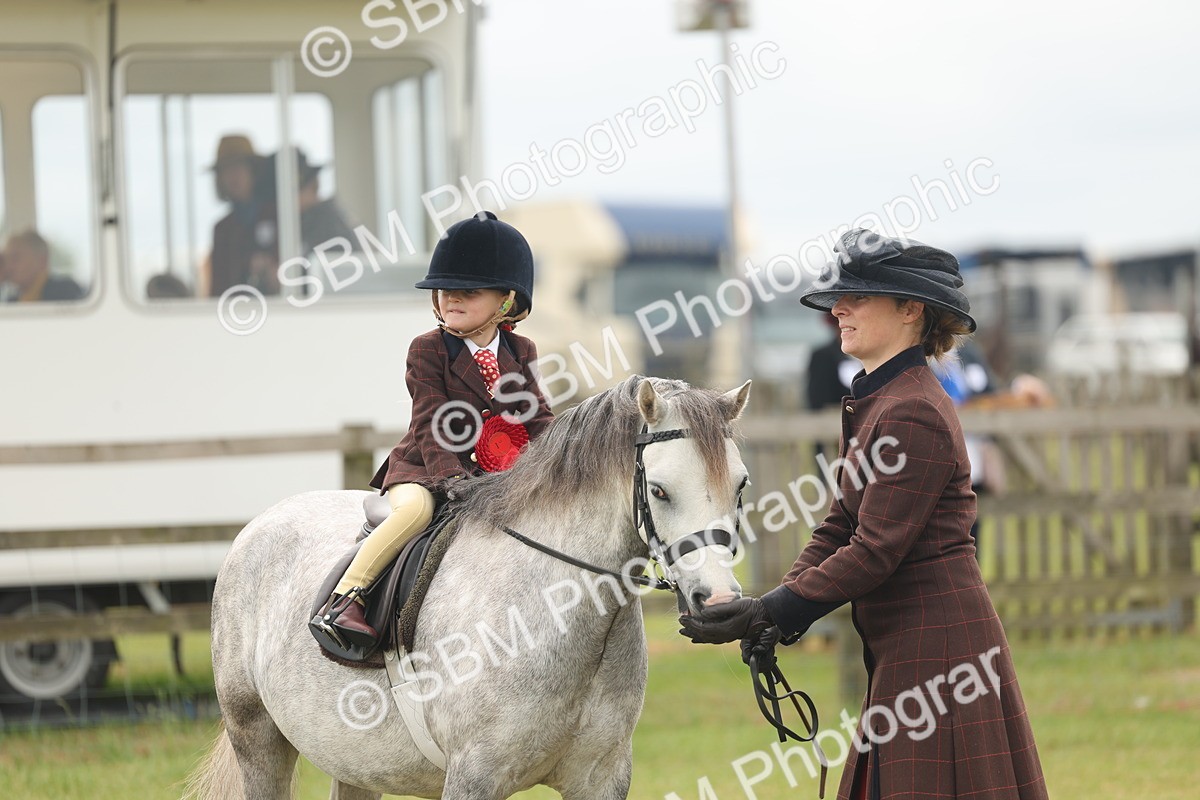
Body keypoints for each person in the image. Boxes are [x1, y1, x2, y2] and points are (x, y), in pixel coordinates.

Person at [681, 229, 1048, 800]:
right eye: (839, 296)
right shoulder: (881, 398)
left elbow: (874, 549)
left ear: (910, 311)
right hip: (908, 644)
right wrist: (776, 609)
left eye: (859, 297)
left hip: (939, 648)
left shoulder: (912, 412)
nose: (839, 308)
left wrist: (771, 611)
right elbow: (841, 524)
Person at [315, 211, 556, 650]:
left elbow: (537, 416)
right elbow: (429, 421)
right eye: (444, 290)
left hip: (497, 474)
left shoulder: (521, 350)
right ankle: (345, 598)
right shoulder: (428, 349)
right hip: (426, 469)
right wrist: (452, 480)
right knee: (415, 513)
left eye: (469, 291)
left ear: (506, 301)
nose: (451, 299)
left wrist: (562, 459)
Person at [207, 135, 274, 297]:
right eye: (226, 169)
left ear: (253, 170)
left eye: (239, 167)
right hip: (235, 315)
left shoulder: (277, 216)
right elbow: (218, 289)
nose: (233, 176)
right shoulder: (222, 229)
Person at [0, 229, 85, 302]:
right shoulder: (12, 300)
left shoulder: (66, 291)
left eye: (15, 258)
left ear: (42, 260)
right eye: (6, 260)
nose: (8, 266)